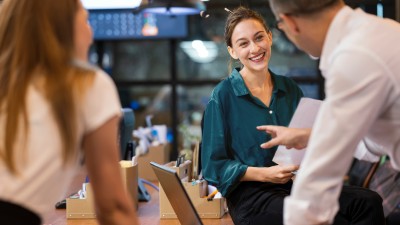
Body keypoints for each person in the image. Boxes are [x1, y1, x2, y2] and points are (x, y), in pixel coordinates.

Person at [201, 6, 384, 225]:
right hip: (252, 197)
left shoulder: (289, 88)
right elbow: (213, 167)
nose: (255, 48)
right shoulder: (223, 95)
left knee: (368, 201)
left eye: (259, 38)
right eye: (243, 43)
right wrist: (264, 174)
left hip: (296, 185)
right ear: (233, 51)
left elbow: (306, 146)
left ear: (269, 37)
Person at [257, 0, 400, 224]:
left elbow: (320, 178)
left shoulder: (354, 56)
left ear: (290, 22)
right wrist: (309, 136)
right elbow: (377, 139)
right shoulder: (380, 31)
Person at [0, 0, 138, 224]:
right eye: (84, 20)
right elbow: (112, 207)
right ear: (61, 28)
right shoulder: (86, 85)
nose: (90, 34)